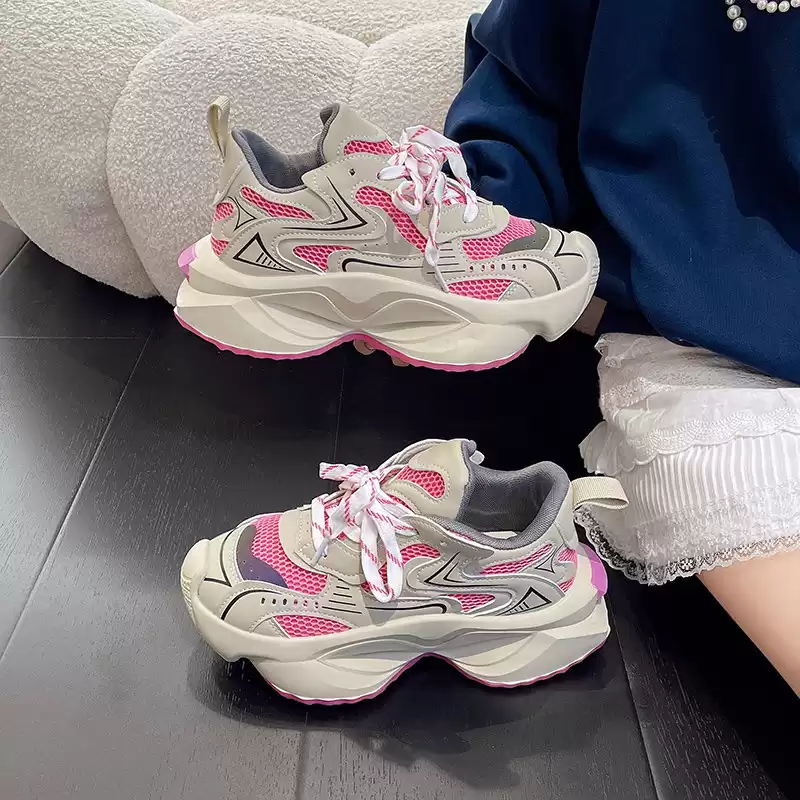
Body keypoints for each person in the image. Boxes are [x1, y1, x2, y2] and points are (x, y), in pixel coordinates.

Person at [445, 0, 800, 693]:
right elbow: (521, 89)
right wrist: (453, 256)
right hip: (706, 361)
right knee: (712, 472)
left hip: (703, 333)